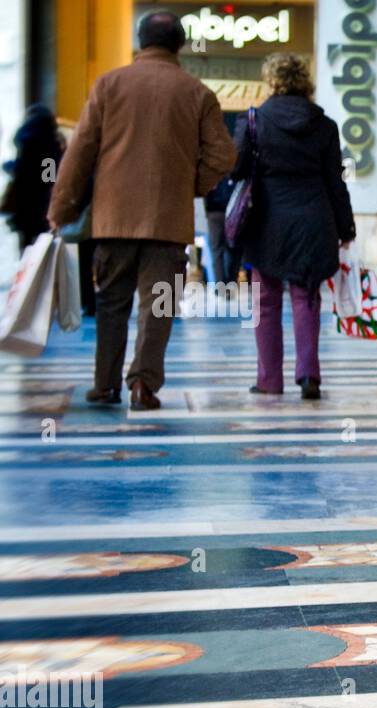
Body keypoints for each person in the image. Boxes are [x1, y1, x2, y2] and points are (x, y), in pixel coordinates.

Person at [47, 10, 236, 411]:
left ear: (139, 40)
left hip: (113, 220)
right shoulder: (198, 92)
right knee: (159, 305)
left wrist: (61, 208)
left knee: (111, 303)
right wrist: (190, 186)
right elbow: (223, 155)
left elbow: (79, 153)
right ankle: (143, 386)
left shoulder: (108, 85)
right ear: (180, 44)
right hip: (168, 224)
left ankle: (104, 384)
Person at [233, 52, 355, 400]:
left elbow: (237, 169)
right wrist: (346, 228)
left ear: (271, 81)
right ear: (305, 82)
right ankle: (309, 376)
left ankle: (270, 380)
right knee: (307, 298)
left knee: (266, 300)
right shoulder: (326, 125)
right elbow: (336, 181)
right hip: (314, 221)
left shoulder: (254, 120)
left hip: (267, 221)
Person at [2, 105, 64, 250]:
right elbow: (49, 179)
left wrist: (8, 167)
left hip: (24, 209)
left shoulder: (25, 142)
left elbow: (21, 171)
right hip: (42, 210)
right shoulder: (51, 146)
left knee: (26, 251)